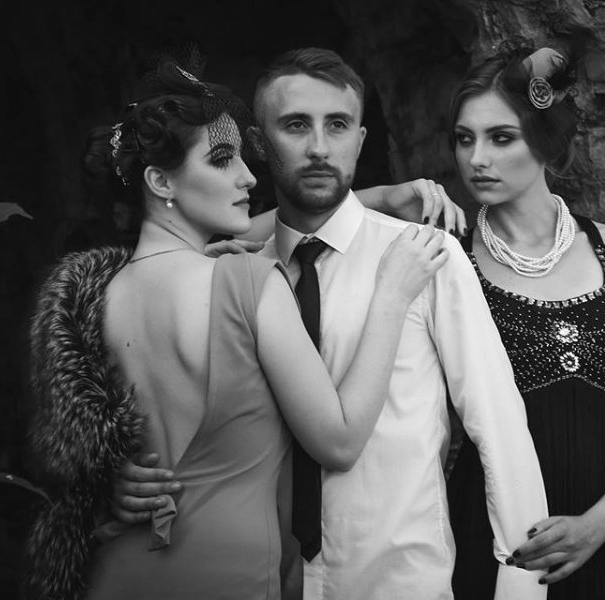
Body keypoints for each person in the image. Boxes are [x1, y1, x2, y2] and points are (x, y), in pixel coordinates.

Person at [112, 47, 550, 600]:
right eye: (297, 125)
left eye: (337, 125)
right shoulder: (232, 277)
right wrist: (120, 479)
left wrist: (522, 586)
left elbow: (499, 425)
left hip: (398, 582)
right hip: (260, 579)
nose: (320, 147)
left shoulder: (423, 255)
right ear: (259, 144)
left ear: (361, 141)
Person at [25, 59, 449, 600]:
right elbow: (339, 442)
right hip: (226, 577)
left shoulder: (96, 300)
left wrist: (378, 198)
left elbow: (274, 224)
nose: (249, 177)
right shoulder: (246, 282)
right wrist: (392, 294)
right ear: (160, 181)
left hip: (119, 574)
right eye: (223, 160)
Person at [445, 46, 605, 599]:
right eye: (465, 139)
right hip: (501, 555)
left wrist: (598, 526)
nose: (477, 158)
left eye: (500, 137)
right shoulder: (449, 264)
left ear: (545, 140)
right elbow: (274, 230)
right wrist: (384, 195)